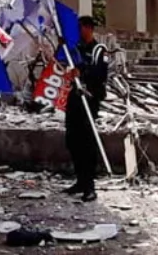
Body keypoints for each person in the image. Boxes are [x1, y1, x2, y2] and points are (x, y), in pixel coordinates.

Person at [63, 15, 108, 202]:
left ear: (89, 28)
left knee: (87, 142)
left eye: (80, 28)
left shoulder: (99, 50)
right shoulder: (76, 49)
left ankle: (90, 185)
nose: (78, 32)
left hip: (90, 99)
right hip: (75, 98)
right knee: (72, 139)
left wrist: (83, 72)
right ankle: (80, 180)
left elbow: (101, 74)